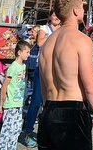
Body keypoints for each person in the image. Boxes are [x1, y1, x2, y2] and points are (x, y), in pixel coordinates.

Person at [37, 0, 93, 150]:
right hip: (72, 115)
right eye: (81, 6)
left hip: (48, 113)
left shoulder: (46, 45)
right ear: (75, 11)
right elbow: (91, 87)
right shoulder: (81, 40)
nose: (84, 9)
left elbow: (44, 89)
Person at [24, 9, 61, 148]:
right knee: (36, 101)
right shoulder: (44, 29)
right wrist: (57, 35)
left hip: (57, 70)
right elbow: (39, 43)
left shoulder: (63, 29)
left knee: (52, 103)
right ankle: (28, 133)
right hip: (43, 69)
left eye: (58, 15)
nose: (56, 17)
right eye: (53, 14)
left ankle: (49, 133)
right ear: (50, 17)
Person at [0, 40, 31, 150]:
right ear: (19, 52)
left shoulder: (23, 66)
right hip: (10, 104)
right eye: (27, 52)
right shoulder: (13, 67)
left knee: (16, 130)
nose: (28, 54)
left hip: (18, 104)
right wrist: (1, 105)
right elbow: (4, 86)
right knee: (7, 131)